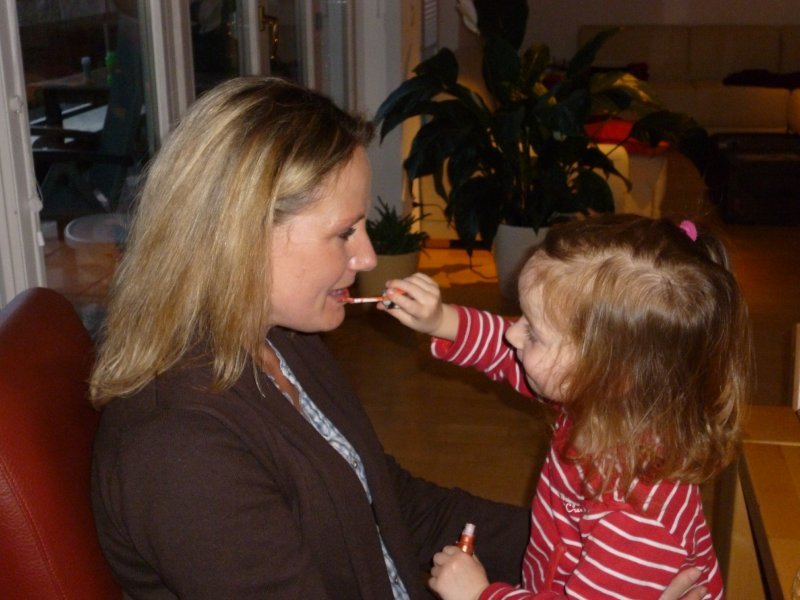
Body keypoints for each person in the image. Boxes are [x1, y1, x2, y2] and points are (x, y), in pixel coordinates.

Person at [89, 76, 712, 599]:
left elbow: (389, 502)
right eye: (344, 232)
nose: (366, 256)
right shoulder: (180, 451)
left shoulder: (283, 340)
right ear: (239, 237)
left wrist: (597, 563)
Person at [381, 214, 753, 599]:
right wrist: (441, 320)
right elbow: (506, 355)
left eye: (534, 332)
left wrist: (479, 594)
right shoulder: (608, 403)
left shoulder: (637, 519)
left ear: (609, 374)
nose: (513, 333)